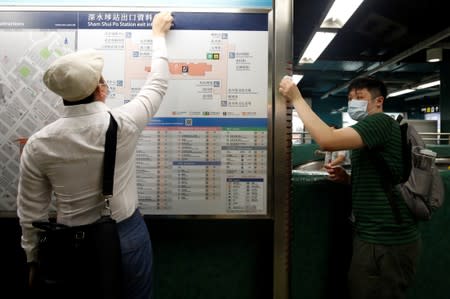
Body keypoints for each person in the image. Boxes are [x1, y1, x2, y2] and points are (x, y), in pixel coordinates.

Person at [16, 11, 174, 299]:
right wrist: (158, 36)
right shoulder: (124, 123)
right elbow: (157, 84)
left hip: (67, 245)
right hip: (125, 234)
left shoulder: (39, 144)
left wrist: (33, 259)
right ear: (101, 90)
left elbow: (31, 212)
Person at [279, 76, 421, 299]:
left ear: (378, 101)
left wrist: (296, 98)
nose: (353, 101)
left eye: (360, 97)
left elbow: (327, 139)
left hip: (384, 239)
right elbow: (382, 176)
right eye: (350, 98)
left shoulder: (380, 122)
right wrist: (347, 179)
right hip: (374, 236)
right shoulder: (372, 130)